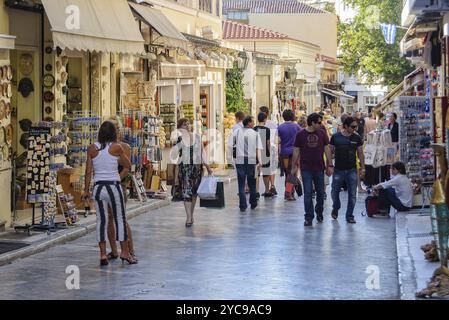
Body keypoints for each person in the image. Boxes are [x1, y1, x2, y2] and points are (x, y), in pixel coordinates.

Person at [82, 121, 136, 266]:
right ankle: (125, 252)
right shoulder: (116, 147)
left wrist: (86, 190)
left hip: (98, 188)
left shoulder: (92, 148)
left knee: (101, 221)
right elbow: (128, 165)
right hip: (113, 187)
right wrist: (117, 177)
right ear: (113, 133)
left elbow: (88, 172)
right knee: (120, 218)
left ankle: (102, 254)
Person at [291, 113, 333, 226]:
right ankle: (308, 217)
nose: (321, 124)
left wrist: (330, 165)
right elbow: (296, 150)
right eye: (319, 122)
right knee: (308, 193)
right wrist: (293, 166)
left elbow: (327, 149)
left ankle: (319, 212)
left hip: (319, 167)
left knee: (320, 192)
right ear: (312, 123)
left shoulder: (322, 133)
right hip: (306, 168)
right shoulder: (300, 135)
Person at [106, 116, 137, 261]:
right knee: (110, 218)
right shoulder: (104, 146)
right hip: (107, 186)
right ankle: (114, 251)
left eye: (116, 127)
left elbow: (126, 168)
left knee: (121, 218)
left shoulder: (125, 147)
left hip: (119, 185)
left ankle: (130, 250)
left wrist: (116, 179)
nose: (115, 130)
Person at [173, 118, 213, 227]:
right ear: (180, 127)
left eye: (188, 124)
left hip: (197, 168)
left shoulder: (197, 137)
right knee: (187, 192)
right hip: (185, 169)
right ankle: (189, 217)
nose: (187, 126)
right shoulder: (178, 138)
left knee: (194, 192)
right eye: (184, 125)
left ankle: (191, 214)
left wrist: (208, 167)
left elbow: (202, 153)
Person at [329, 116, 365, 224]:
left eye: (356, 126)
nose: (355, 129)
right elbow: (330, 151)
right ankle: (336, 206)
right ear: (345, 126)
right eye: (353, 126)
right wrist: (329, 165)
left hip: (352, 169)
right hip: (338, 169)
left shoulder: (356, 138)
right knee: (334, 191)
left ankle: (350, 215)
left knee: (353, 194)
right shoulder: (335, 137)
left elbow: (360, 153)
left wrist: (363, 167)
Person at [233, 116, 263, 211]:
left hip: (240, 160)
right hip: (251, 160)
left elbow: (230, 146)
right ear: (249, 123)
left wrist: (231, 159)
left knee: (241, 183)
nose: (254, 123)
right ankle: (253, 203)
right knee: (252, 182)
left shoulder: (236, 132)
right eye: (253, 122)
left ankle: (242, 205)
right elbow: (258, 149)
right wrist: (260, 161)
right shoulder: (255, 134)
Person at [277, 109, 301, 201]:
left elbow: (278, 141)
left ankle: (289, 192)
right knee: (292, 172)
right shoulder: (297, 127)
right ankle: (289, 193)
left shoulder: (280, 127)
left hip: (284, 153)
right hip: (295, 152)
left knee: (288, 172)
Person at [259, 106, 278, 196]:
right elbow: (276, 137)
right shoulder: (274, 123)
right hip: (273, 147)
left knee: (266, 169)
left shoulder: (261, 124)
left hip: (264, 148)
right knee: (272, 168)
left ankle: (268, 188)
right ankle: (273, 185)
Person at [254, 112, 272, 197]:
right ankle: (267, 190)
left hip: (256, 153)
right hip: (265, 152)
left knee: (256, 172)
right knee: (266, 172)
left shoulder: (254, 129)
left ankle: (256, 191)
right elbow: (268, 143)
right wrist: (270, 152)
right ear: (265, 119)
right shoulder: (267, 130)